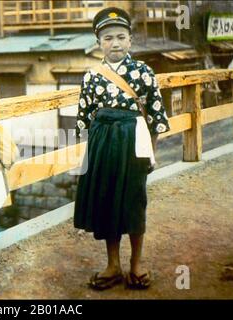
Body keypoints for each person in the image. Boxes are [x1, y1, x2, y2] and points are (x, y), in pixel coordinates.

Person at [73, 7, 170, 290]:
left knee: (134, 199)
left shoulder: (143, 72)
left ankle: (136, 264)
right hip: (103, 141)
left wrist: (152, 150)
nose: (114, 43)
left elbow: (156, 115)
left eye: (120, 37)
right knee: (107, 201)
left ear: (130, 40)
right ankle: (112, 265)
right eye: (107, 38)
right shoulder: (91, 76)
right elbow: (84, 118)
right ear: (98, 42)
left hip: (134, 140)